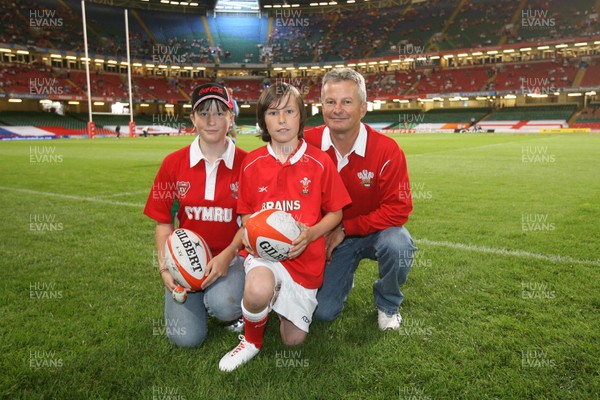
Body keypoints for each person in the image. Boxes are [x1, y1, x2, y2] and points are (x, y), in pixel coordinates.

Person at [218, 83, 351, 372]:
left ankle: (276, 303)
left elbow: (337, 212)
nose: (281, 120)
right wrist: (252, 232)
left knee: (293, 341)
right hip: (265, 255)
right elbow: (245, 216)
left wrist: (312, 233)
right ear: (262, 120)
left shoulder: (320, 161)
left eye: (289, 111)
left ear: (300, 118)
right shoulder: (252, 163)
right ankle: (252, 341)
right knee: (256, 291)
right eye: (273, 112)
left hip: (305, 261)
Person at [304, 68, 416, 330]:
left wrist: (345, 228)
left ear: (363, 108)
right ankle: (344, 274)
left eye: (347, 101)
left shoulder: (387, 150)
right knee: (322, 312)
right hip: (329, 236)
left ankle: (388, 305)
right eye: (330, 102)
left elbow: (399, 210)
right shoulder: (306, 143)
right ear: (321, 106)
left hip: (375, 232)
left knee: (398, 244)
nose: (337, 109)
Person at [143, 83, 247, 347]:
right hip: (187, 259)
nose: (212, 121)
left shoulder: (248, 163)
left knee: (224, 305)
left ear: (231, 117)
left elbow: (252, 223)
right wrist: (166, 266)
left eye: (220, 113)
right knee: (185, 339)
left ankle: (227, 307)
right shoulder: (173, 164)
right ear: (192, 118)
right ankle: (199, 296)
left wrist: (229, 254)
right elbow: (164, 223)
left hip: (231, 258)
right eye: (204, 113)